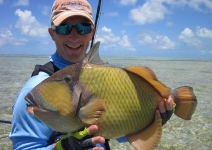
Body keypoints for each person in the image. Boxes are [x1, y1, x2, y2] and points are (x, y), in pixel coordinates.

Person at [9, 0, 174, 149]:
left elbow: (118, 130)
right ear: (52, 33)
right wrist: (62, 148)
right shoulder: (35, 90)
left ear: (92, 32)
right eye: (65, 28)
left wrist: (151, 120)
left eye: (82, 27)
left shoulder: (104, 75)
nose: (74, 36)